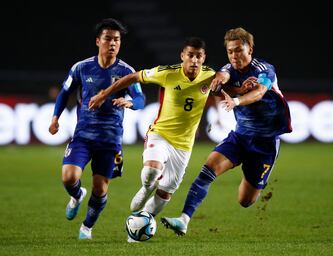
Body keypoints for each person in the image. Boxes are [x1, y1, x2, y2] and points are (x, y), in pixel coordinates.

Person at [160, 27, 292, 236]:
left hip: (265, 143)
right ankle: (183, 220)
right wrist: (218, 81)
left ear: (250, 49)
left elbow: (258, 93)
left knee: (245, 201)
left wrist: (237, 100)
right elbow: (222, 75)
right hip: (240, 137)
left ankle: (252, 176)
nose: (234, 55)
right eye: (230, 51)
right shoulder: (229, 68)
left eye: (239, 50)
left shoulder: (265, 69)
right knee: (207, 170)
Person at [88, 37, 215, 241]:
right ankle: (146, 187)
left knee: (165, 194)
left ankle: (138, 228)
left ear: (204, 58)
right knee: (152, 170)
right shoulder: (167, 73)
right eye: (190, 55)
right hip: (161, 134)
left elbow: (222, 88)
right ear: (182, 56)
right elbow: (133, 77)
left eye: (198, 56)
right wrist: (104, 94)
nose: (194, 60)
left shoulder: (210, 76)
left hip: (184, 146)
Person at [48, 18, 145, 240]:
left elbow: (140, 98)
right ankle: (76, 195)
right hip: (83, 135)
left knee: (100, 189)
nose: (113, 43)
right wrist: (55, 118)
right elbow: (64, 93)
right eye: (108, 39)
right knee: (68, 177)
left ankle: (86, 228)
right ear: (98, 41)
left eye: (117, 40)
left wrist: (131, 103)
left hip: (110, 139)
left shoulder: (126, 71)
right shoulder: (81, 68)